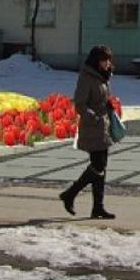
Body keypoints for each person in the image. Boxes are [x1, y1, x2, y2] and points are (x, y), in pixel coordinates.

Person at [59, 44, 118, 220]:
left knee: (101, 167)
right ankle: (70, 193)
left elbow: (99, 98)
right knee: (98, 166)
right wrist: (94, 117)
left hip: (103, 126)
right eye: (104, 60)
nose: (107, 63)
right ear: (96, 61)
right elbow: (80, 104)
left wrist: (108, 105)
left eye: (109, 60)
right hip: (93, 127)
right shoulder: (87, 77)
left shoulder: (102, 76)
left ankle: (97, 207)